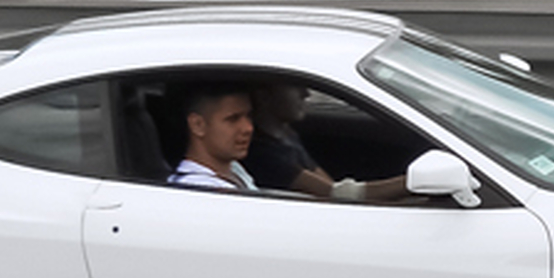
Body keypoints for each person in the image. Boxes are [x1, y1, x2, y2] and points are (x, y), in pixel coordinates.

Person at [244, 79, 405, 202]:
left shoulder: (285, 134)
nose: (305, 94)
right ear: (263, 96)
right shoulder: (262, 155)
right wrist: (408, 183)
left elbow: (329, 186)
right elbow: (335, 194)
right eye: (295, 86)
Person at [168, 81, 260, 192]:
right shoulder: (195, 189)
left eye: (249, 116)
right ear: (198, 125)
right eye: (233, 119)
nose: (248, 128)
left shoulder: (234, 169)